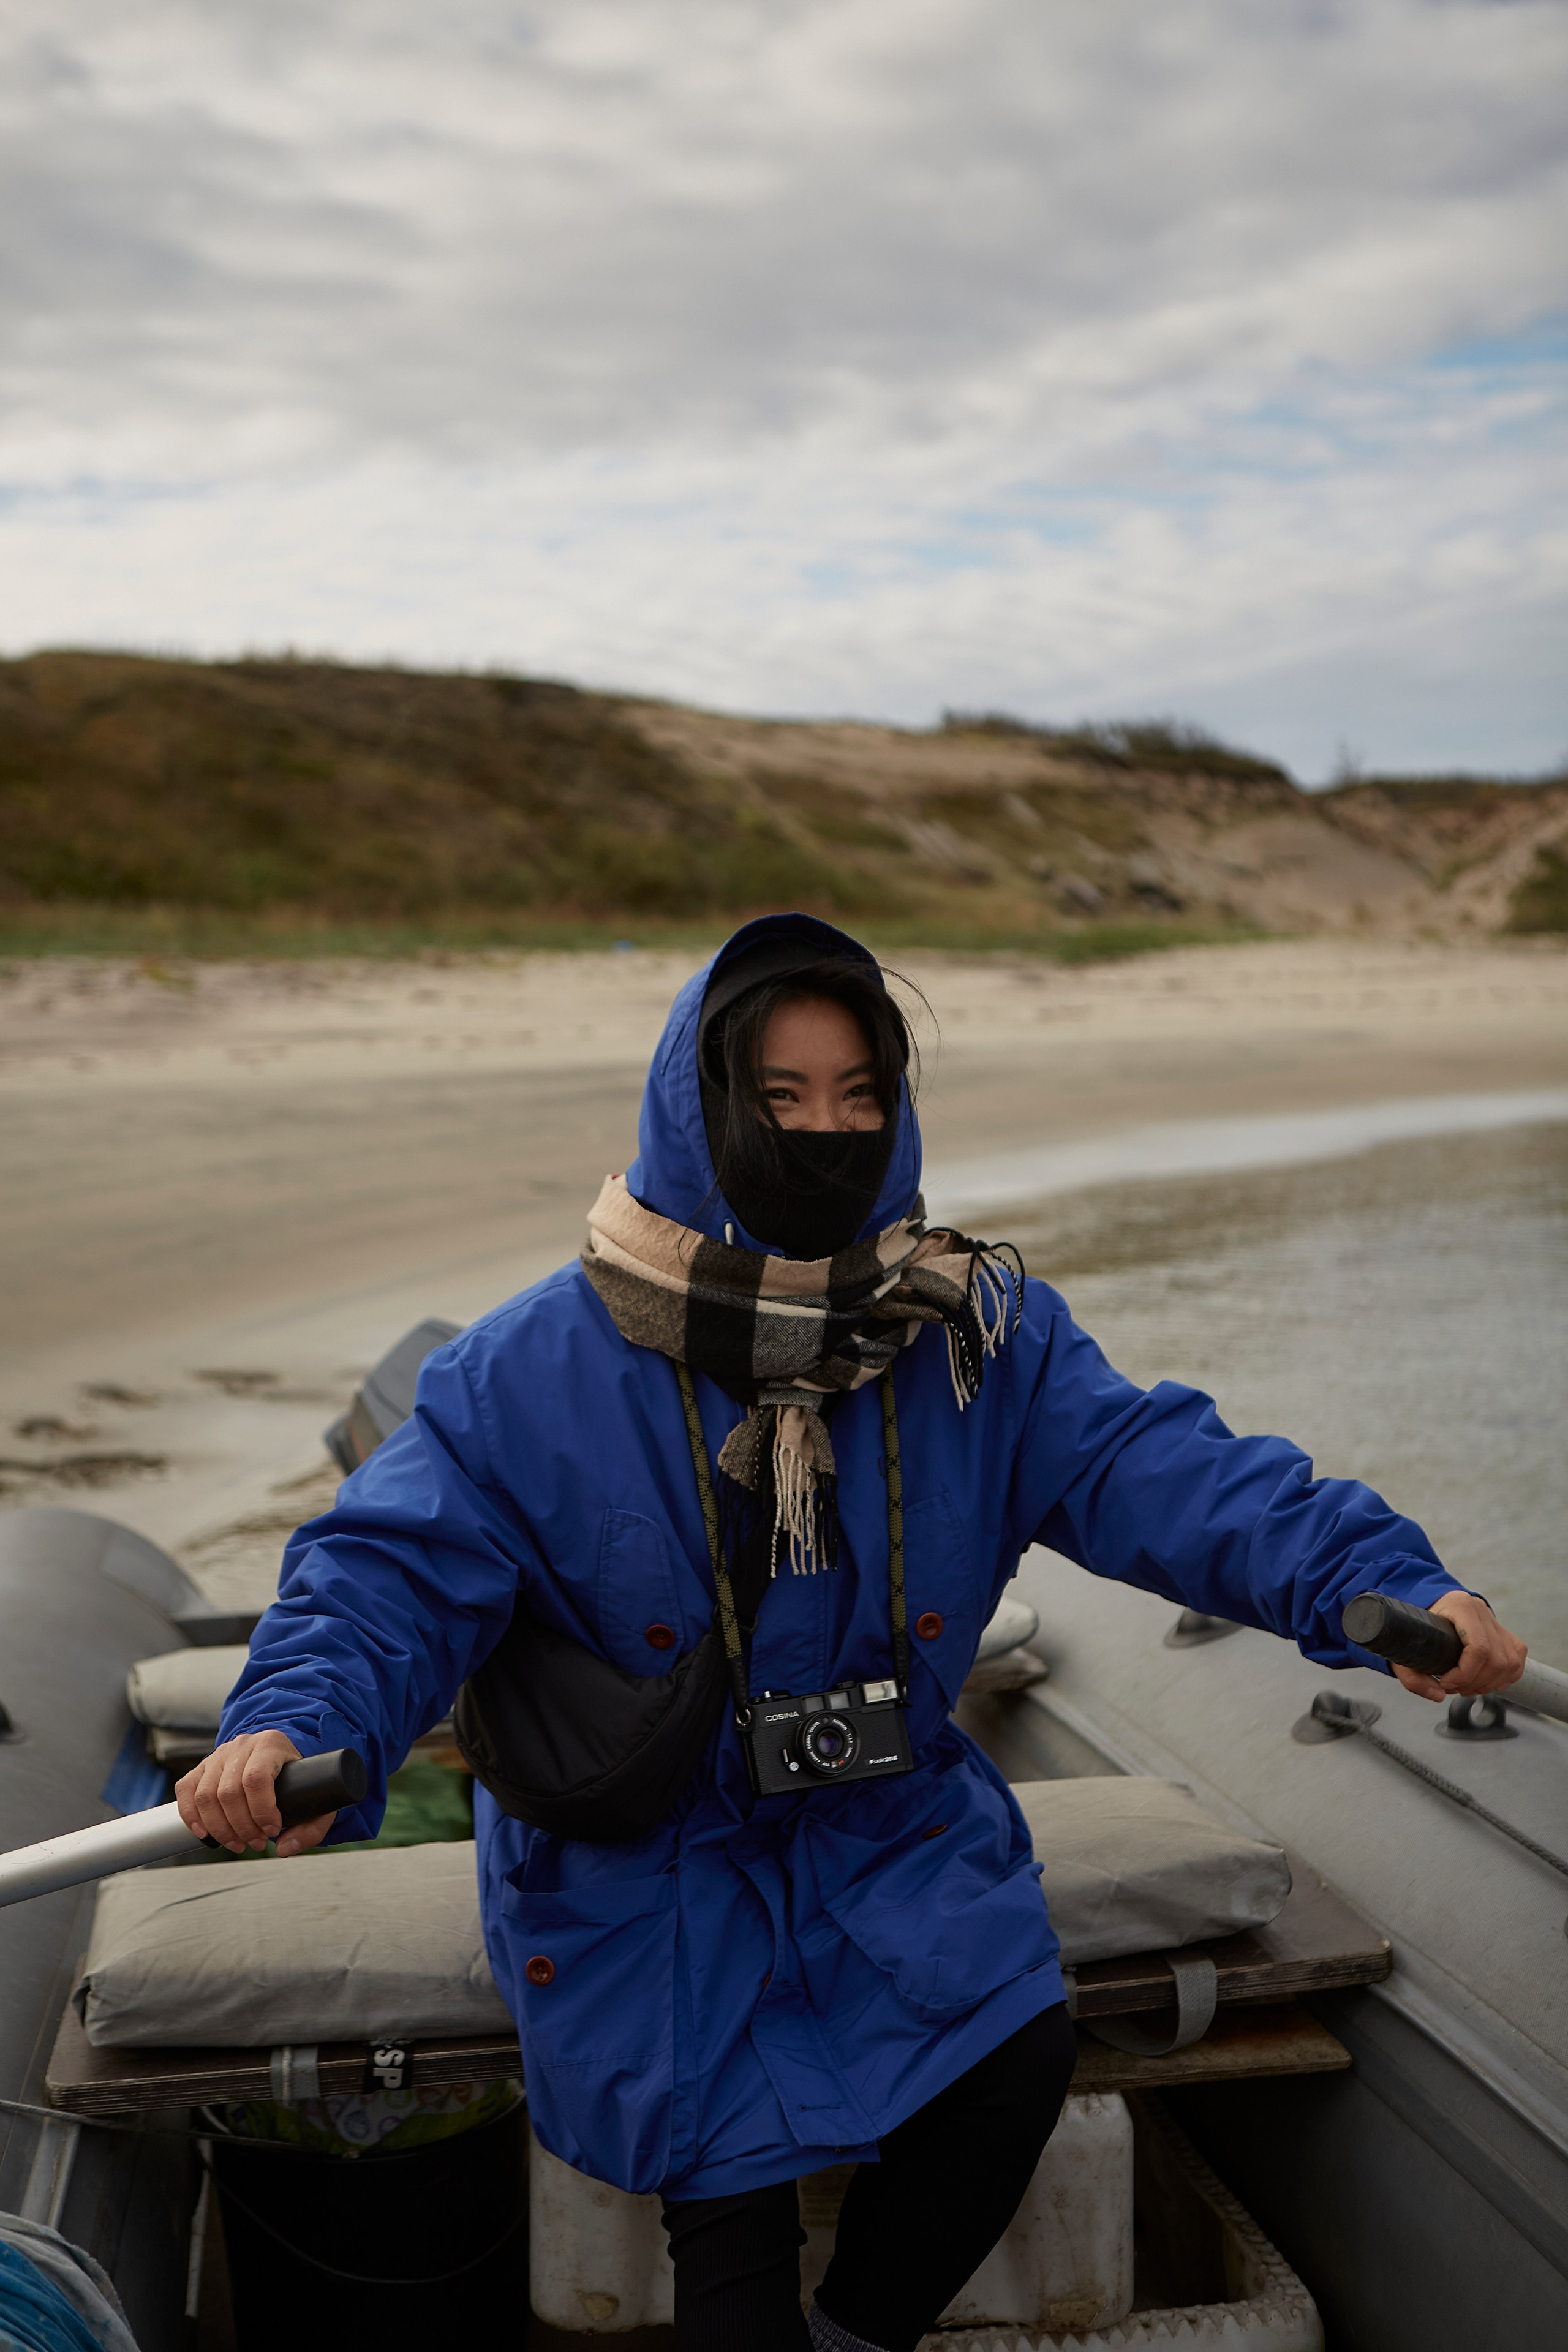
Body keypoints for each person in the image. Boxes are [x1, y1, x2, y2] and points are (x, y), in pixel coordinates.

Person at [179, 912, 1526, 2352]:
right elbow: (381, 1575)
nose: (823, 1129)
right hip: (654, 1862)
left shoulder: (974, 1336)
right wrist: (294, 1721)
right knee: (731, 2194)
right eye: (778, 1099)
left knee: (1013, 2055)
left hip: (884, 1824)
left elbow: (1173, 1477)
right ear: (700, 1114)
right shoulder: (524, 1373)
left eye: (857, 1094)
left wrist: (1375, 1582)